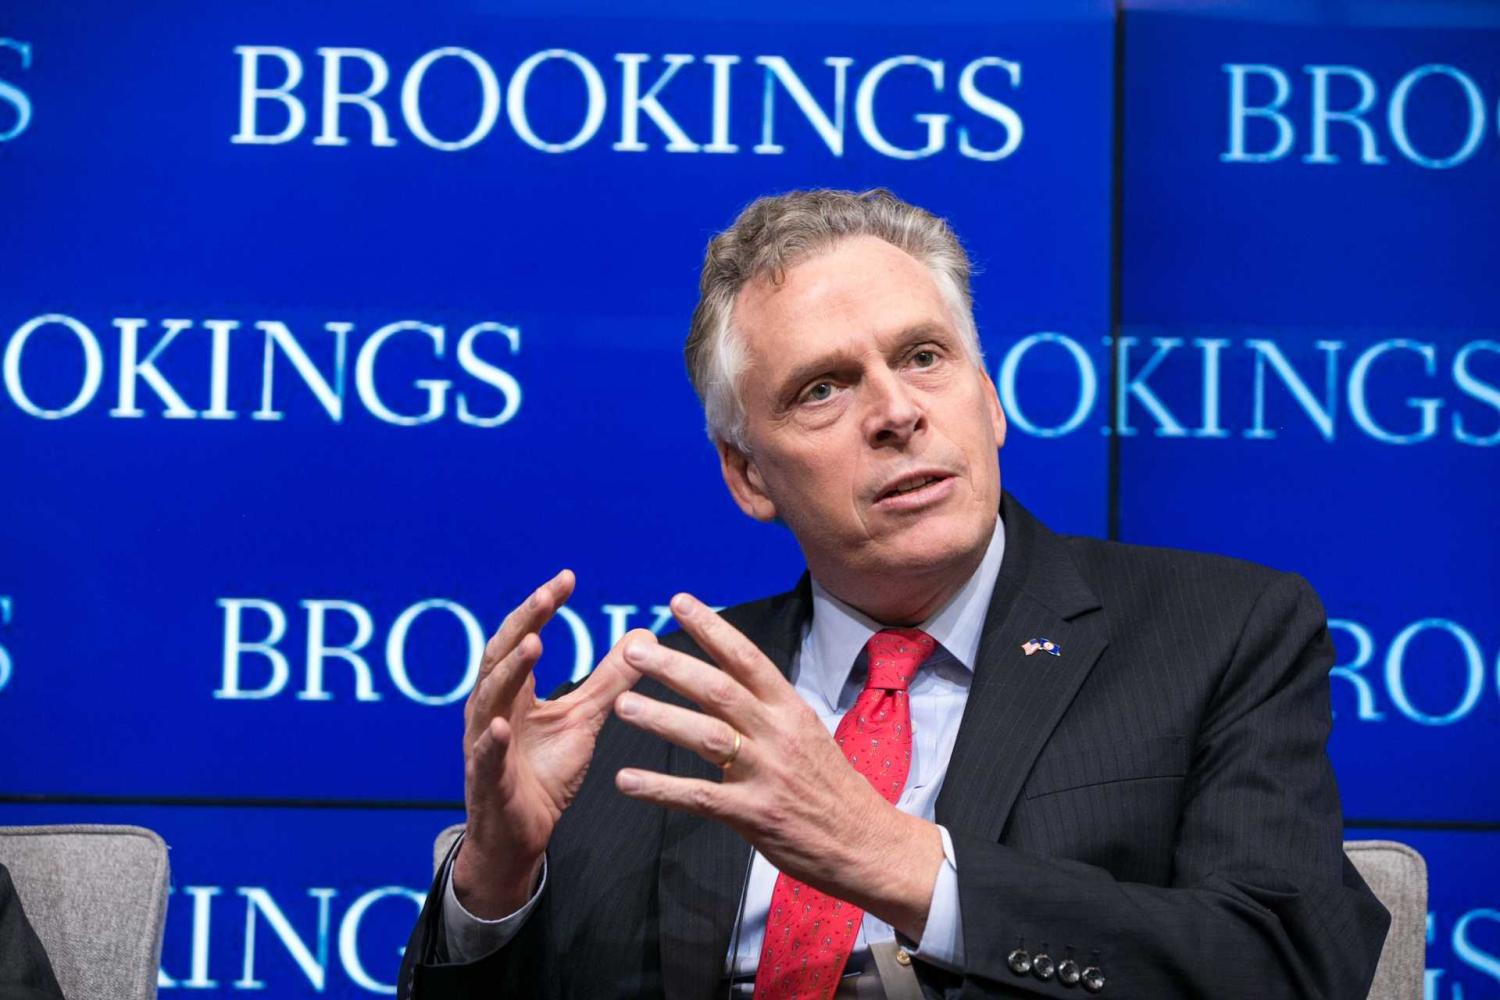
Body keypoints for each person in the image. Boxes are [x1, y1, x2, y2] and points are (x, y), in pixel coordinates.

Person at [398, 189, 1390, 998]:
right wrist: (496, 876)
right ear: (749, 475)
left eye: (923, 357)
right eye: (822, 389)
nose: (896, 412)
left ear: (988, 400)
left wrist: (898, 860)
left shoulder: (1215, 634)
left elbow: (1290, 966)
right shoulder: (664, 701)